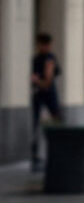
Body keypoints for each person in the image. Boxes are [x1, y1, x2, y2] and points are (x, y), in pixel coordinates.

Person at [27, 31, 62, 170]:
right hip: (40, 96)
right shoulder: (40, 58)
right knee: (37, 126)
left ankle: (56, 153)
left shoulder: (48, 59)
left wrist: (37, 81)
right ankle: (38, 157)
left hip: (46, 95)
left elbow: (47, 82)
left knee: (54, 123)